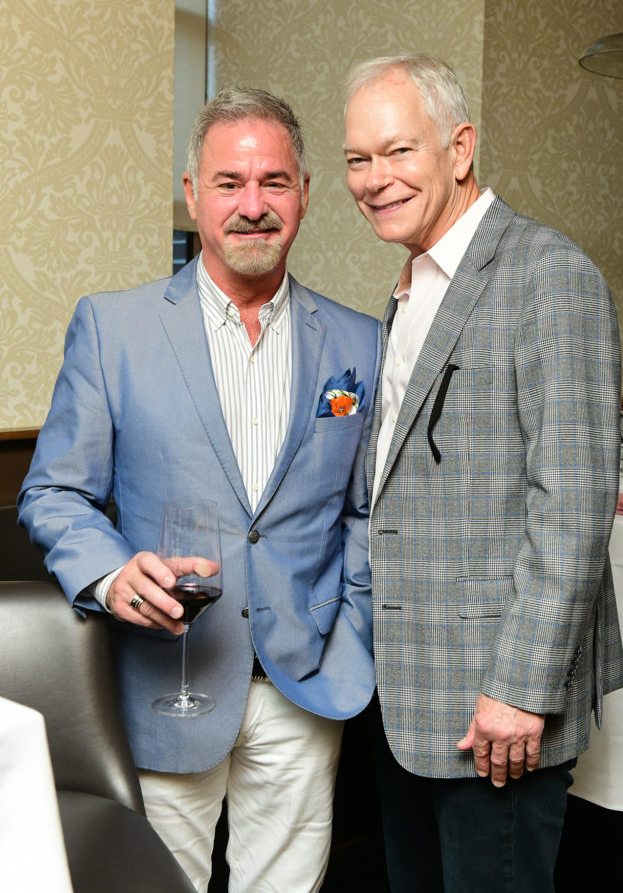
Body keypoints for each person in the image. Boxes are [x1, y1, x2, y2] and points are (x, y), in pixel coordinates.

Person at [18, 87, 381, 893]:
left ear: (305, 193)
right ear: (192, 193)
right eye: (229, 183)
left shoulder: (361, 341)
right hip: (165, 682)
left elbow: (364, 511)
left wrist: (346, 627)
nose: (253, 206)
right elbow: (53, 494)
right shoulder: (114, 329)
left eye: (274, 182)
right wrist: (112, 575)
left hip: (306, 684)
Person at [343, 53, 623, 892]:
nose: (375, 179)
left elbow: (573, 504)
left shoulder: (548, 275)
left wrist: (519, 688)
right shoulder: (413, 285)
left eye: (398, 152)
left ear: (459, 150)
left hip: (494, 711)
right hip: (409, 698)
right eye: (359, 158)